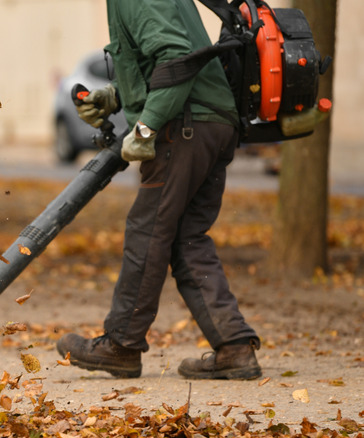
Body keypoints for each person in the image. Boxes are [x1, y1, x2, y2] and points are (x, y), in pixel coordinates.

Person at [56, 0, 262, 380]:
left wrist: (147, 126)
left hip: (184, 126)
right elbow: (167, 60)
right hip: (214, 122)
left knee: (148, 233)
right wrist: (116, 95)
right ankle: (234, 347)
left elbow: (177, 55)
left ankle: (121, 344)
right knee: (188, 239)